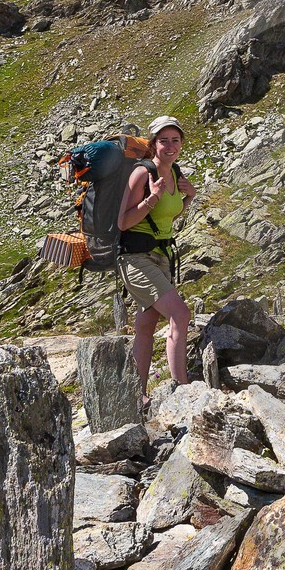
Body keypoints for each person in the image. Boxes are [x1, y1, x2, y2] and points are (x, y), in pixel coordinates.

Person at [118, 115, 196, 389]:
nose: (171, 146)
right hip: (136, 258)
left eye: (175, 140)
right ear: (154, 144)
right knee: (180, 315)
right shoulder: (143, 173)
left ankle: (138, 395)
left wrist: (188, 198)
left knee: (147, 324)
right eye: (164, 141)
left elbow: (166, 219)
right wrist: (151, 199)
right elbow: (123, 222)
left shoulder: (176, 173)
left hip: (161, 257)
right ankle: (182, 389)